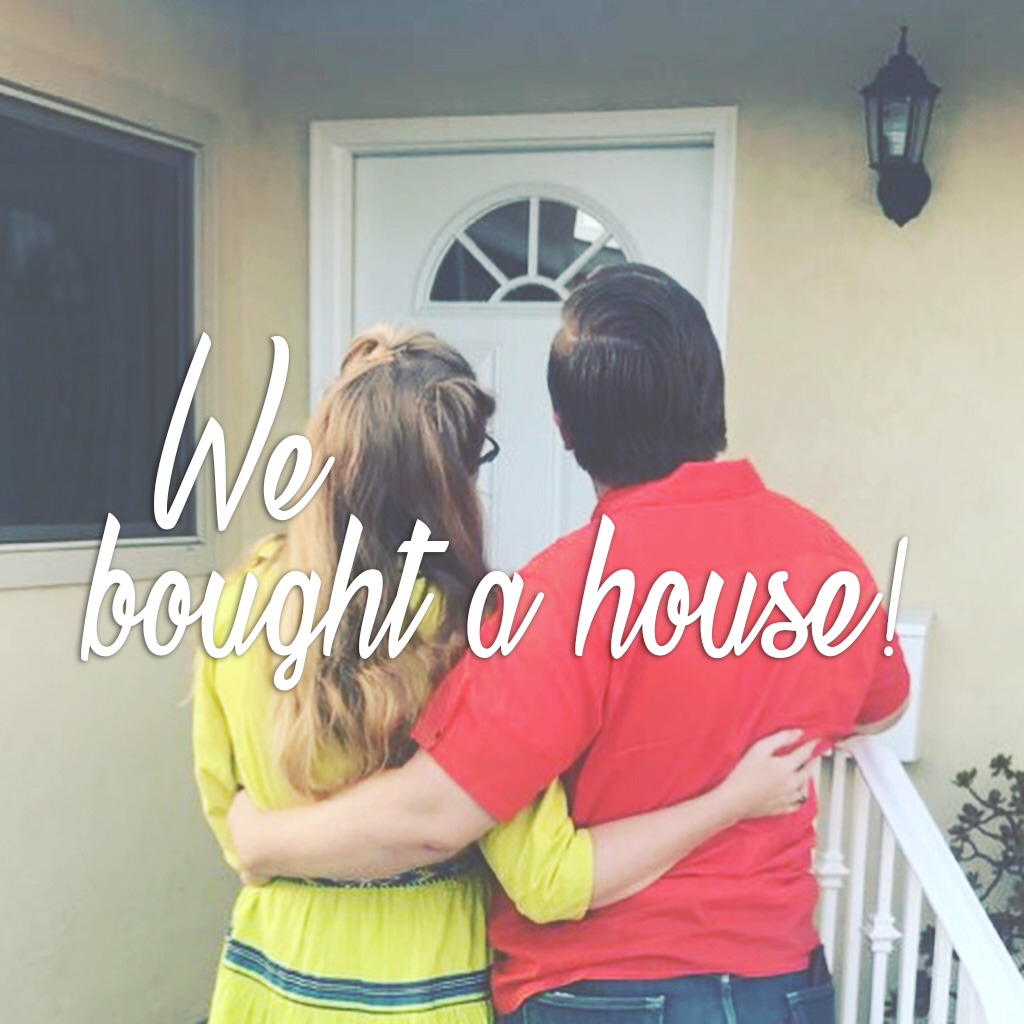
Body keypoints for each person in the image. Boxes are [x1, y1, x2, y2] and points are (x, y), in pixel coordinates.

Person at [226, 272, 911, 1024]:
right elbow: (881, 707)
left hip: (603, 990)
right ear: (712, 395)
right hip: (779, 986)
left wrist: (264, 840)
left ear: (564, 428)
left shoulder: (560, 596)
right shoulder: (827, 563)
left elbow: (434, 817)